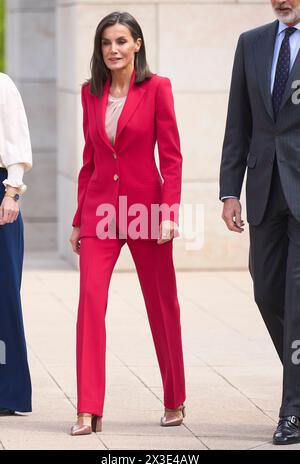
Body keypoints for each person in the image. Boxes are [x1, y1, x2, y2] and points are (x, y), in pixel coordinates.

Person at [69, 11, 186, 435]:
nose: (113, 50)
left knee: (162, 305)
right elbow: (90, 160)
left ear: (137, 43)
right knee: (90, 304)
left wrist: (169, 214)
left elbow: (171, 158)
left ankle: (175, 398)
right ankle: (87, 408)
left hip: (146, 211)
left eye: (121, 41)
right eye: (106, 43)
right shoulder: (90, 93)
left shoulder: (157, 89)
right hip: (100, 210)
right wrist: (80, 219)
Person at [220, 0, 300, 445]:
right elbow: (240, 120)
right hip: (265, 188)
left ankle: (292, 412)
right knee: (266, 291)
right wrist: (230, 190)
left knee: (297, 300)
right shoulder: (251, 43)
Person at [0, 73, 32, 415]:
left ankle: (7, 392)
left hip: (1, 198)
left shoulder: (1, 85)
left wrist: (12, 192)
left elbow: (17, 144)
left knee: (3, 295)